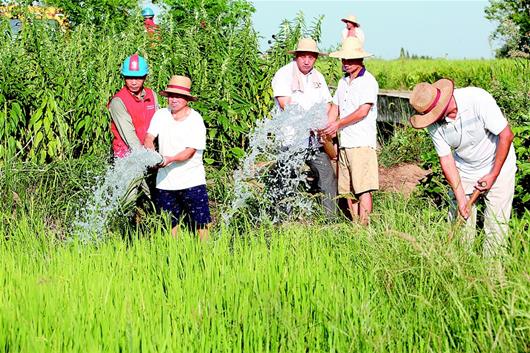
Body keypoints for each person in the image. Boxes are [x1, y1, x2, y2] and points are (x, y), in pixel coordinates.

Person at [408, 78, 516, 257]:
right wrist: (460, 197)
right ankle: (462, 270)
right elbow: (447, 160)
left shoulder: (477, 99)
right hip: (464, 170)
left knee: (496, 226)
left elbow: (507, 135)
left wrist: (492, 175)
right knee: (460, 225)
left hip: (498, 164)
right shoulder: (434, 124)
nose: (433, 119)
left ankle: (492, 275)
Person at [271, 37, 337, 216]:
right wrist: (311, 123)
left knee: (327, 176)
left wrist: (325, 126)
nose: (307, 61)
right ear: (297, 56)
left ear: (315, 58)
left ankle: (330, 220)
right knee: (286, 178)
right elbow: (286, 105)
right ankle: (281, 219)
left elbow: (328, 104)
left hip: (314, 140)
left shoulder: (318, 77)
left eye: (311, 57)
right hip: (290, 137)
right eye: (303, 57)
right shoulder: (283, 74)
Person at [144, 75, 211, 240]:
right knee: (170, 224)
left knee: (201, 223)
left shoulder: (195, 120)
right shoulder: (161, 115)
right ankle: (173, 256)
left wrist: (169, 159)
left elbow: (190, 151)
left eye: (179, 96)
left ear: (187, 99)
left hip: (191, 181)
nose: (174, 99)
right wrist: (152, 154)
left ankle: (207, 257)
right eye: (171, 95)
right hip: (165, 182)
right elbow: (148, 138)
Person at [321, 37, 379, 226]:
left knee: (363, 188)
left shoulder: (368, 81)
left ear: (359, 60)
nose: (345, 63)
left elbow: (363, 111)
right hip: (345, 141)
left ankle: (365, 226)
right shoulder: (343, 82)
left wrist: (337, 125)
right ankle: (356, 226)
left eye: (349, 60)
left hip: (361, 142)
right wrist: (326, 128)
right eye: (343, 60)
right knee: (347, 189)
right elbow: (335, 108)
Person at [108, 54, 158, 205]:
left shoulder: (152, 95)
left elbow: (158, 123)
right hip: (128, 156)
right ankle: (122, 227)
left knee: (156, 197)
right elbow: (129, 137)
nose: (134, 82)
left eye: (138, 77)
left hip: (149, 151)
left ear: (145, 77)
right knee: (128, 199)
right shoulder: (118, 101)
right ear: (124, 77)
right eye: (130, 77)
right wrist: (150, 158)